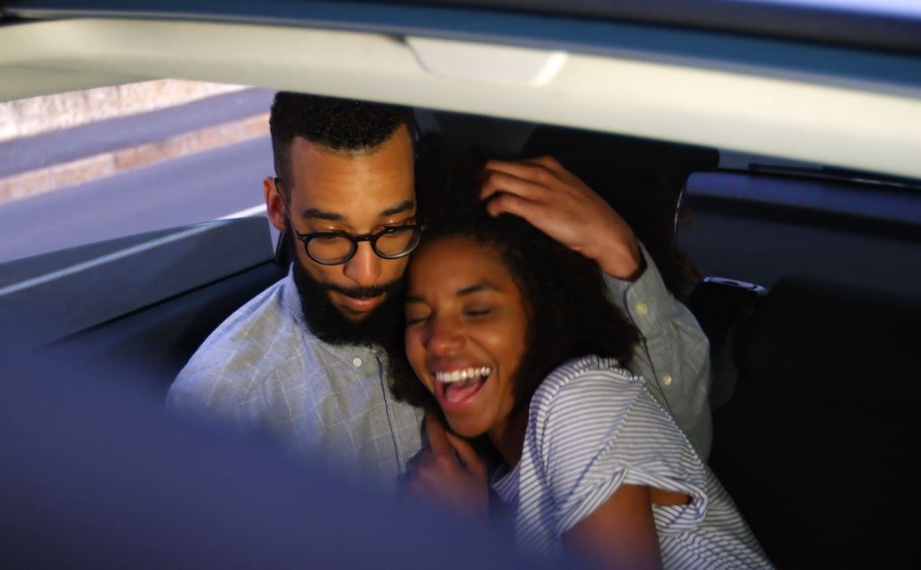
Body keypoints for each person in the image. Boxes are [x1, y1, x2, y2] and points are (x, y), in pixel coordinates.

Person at [166, 92, 712, 486]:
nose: (367, 273)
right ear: (278, 207)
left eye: (392, 228)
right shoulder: (220, 406)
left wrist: (619, 252)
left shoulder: (490, 320)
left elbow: (678, 454)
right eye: (331, 236)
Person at [391, 155, 769, 568]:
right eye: (419, 317)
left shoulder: (578, 399)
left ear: (542, 316)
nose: (439, 341)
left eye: (478, 310)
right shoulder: (506, 479)